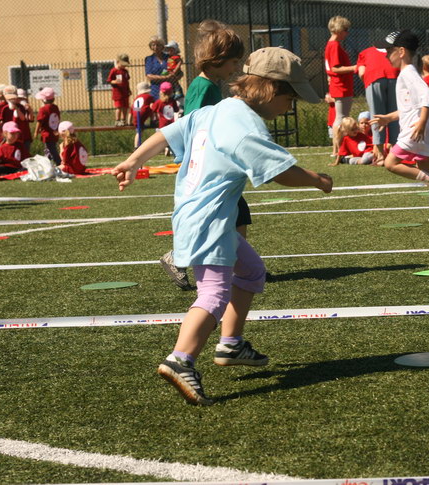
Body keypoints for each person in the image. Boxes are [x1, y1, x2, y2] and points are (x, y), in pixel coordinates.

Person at [111, 47, 333, 406]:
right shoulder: (244, 125)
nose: (289, 107)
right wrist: (318, 180)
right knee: (213, 293)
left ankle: (230, 343)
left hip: (199, 215)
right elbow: (278, 172)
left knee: (250, 270)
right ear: (271, 89)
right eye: (289, 98)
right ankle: (180, 359)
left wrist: (134, 160)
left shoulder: (217, 111)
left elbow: (169, 133)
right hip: (210, 220)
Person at [160, 19, 248, 293]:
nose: (236, 68)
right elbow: (196, 123)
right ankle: (177, 257)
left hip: (212, 163)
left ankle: (238, 265)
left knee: (239, 214)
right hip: (207, 167)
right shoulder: (205, 87)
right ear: (218, 60)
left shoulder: (208, 84)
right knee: (225, 214)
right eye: (234, 62)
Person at [372, 29, 429, 223]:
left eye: (389, 50)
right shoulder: (408, 73)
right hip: (427, 128)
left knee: (390, 163)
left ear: (401, 51)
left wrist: (420, 122)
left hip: (419, 129)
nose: (386, 55)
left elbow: (426, 96)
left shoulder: (407, 73)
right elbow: (409, 107)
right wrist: (388, 118)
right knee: (423, 169)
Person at [356, 41, 399, 164]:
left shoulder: (365, 52)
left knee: (376, 115)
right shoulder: (396, 50)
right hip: (395, 76)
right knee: (395, 115)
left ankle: (380, 155)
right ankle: (394, 153)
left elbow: (362, 72)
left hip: (374, 77)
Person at [325, 16, 356, 158]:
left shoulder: (331, 44)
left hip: (339, 86)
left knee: (340, 118)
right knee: (341, 118)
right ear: (338, 30)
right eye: (345, 30)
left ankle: (337, 150)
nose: (347, 33)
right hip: (341, 86)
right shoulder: (334, 45)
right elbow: (335, 68)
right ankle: (337, 150)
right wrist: (355, 67)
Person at [33, 87, 61, 165]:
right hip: (54, 132)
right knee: (49, 148)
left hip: (47, 134)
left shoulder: (43, 109)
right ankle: (47, 161)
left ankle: (58, 162)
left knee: (51, 148)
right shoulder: (55, 107)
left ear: (44, 100)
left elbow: (39, 121)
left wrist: (36, 132)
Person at [2, 85, 32, 154]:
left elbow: (23, 118)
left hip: (20, 136)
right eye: (9, 99)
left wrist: (16, 108)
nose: (12, 100)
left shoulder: (20, 107)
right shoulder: (4, 108)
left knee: (22, 153)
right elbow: (2, 122)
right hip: (9, 136)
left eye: (14, 98)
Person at [145, 35, 174, 100]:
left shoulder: (169, 58)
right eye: (153, 45)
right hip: (155, 89)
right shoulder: (149, 59)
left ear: (162, 46)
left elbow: (176, 71)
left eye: (158, 45)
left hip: (168, 88)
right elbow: (149, 76)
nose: (155, 47)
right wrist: (165, 77)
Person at [108, 53, 131, 126]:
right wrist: (114, 81)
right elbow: (109, 80)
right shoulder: (114, 71)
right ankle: (117, 120)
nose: (124, 66)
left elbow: (127, 81)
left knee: (125, 107)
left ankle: (123, 120)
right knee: (118, 107)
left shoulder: (125, 71)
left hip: (125, 93)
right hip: (118, 93)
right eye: (123, 64)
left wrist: (129, 89)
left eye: (125, 65)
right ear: (118, 62)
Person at [132, 82, 155, 146]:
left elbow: (133, 108)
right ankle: (153, 120)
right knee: (151, 107)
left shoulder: (136, 98)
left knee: (139, 131)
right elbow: (152, 106)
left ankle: (136, 146)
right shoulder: (149, 97)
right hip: (142, 114)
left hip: (136, 115)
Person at [163, 40, 185, 109]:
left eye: (171, 49)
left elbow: (179, 63)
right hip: (169, 71)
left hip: (174, 71)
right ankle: (172, 93)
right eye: (168, 49)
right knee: (170, 82)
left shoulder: (176, 57)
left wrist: (175, 70)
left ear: (175, 50)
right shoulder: (168, 57)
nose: (169, 51)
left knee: (175, 82)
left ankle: (178, 93)